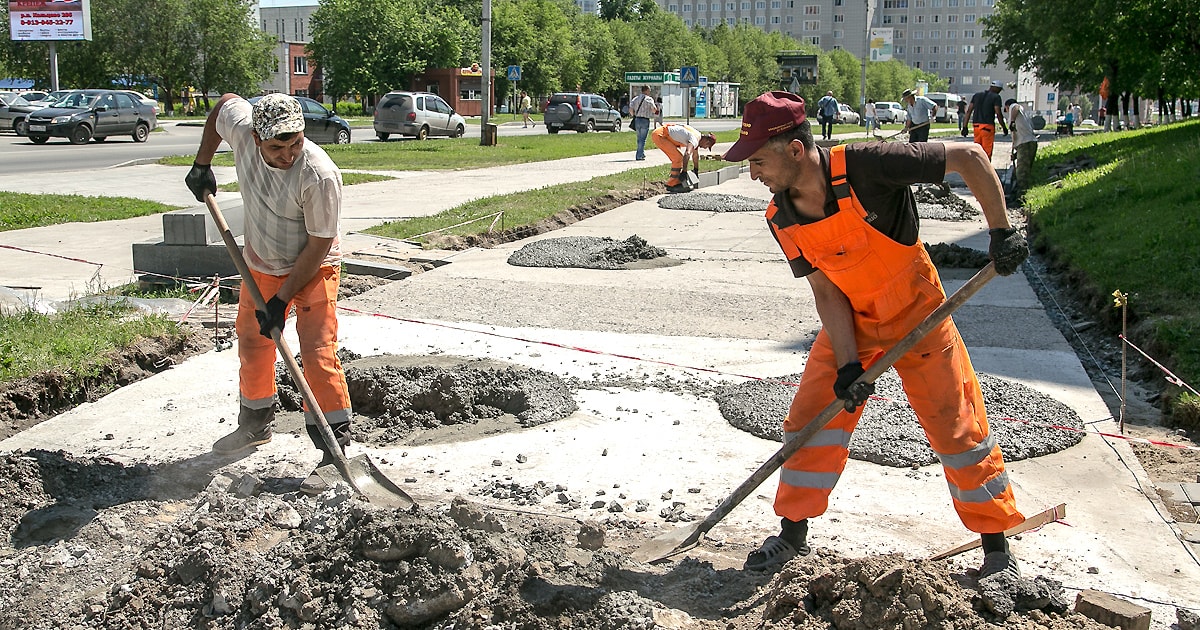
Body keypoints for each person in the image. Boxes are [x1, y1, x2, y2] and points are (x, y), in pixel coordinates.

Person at [721, 91, 1028, 580]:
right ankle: (791, 534)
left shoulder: (869, 165)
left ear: (795, 150)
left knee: (956, 425)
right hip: (853, 322)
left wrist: (1002, 231)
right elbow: (827, 293)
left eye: (758, 160)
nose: (753, 174)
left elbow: (969, 157)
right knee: (810, 420)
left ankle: (996, 547)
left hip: (918, 313)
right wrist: (847, 365)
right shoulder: (781, 217)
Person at [184, 93, 353, 496]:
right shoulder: (243, 131)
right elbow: (223, 104)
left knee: (316, 351)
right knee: (252, 341)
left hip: (314, 267)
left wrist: (282, 300)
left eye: (295, 143)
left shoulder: (319, 174)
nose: (288, 154)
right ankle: (255, 423)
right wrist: (202, 163)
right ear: (256, 137)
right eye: (277, 146)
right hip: (260, 263)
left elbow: (318, 243)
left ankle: (335, 446)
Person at [651, 122, 717, 192]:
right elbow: (687, 153)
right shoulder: (695, 139)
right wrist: (684, 171)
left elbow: (695, 156)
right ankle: (672, 184)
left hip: (663, 133)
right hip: (661, 135)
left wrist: (696, 169)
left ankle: (674, 182)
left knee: (679, 157)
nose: (704, 148)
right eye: (707, 146)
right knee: (678, 158)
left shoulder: (697, 135)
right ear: (707, 141)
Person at [963, 80, 1008, 158]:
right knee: (986, 153)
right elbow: (998, 113)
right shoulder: (996, 97)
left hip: (976, 126)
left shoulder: (976, 95)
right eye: (1000, 90)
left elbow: (969, 111)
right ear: (997, 88)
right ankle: (986, 169)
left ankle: (976, 168)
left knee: (977, 151)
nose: (1000, 92)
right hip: (987, 127)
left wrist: (965, 127)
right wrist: (1004, 127)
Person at [1004, 98, 1037, 203]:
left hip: (1025, 144)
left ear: (1007, 106)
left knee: (1021, 173)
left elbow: (1016, 107)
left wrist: (1012, 121)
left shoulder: (1014, 107)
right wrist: (1015, 152)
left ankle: (1021, 198)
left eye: (1006, 109)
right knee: (1023, 171)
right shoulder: (1022, 116)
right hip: (1025, 144)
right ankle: (1021, 195)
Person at [630, 85, 658, 161]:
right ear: (646, 90)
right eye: (649, 90)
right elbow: (654, 109)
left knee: (639, 138)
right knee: (643, 139)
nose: (650, 92)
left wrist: (634, 115)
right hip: (645, 120)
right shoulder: (649, 99)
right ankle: (639, 155)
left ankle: (641, 153)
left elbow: (631, 109)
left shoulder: (635, 99)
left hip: (637, 119)